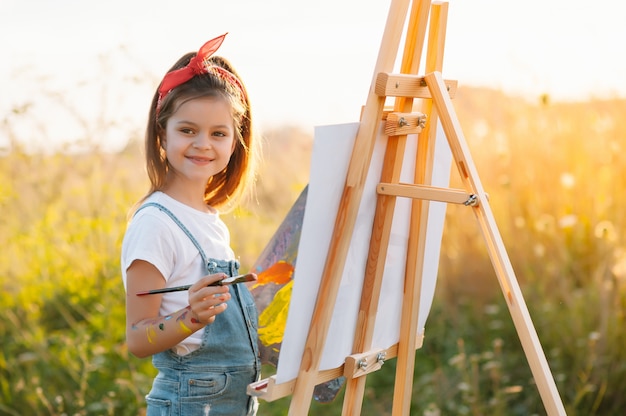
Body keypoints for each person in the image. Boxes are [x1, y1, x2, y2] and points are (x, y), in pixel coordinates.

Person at [121, 33, 261, 416]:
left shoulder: (211, 220)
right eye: (187, 130)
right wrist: (192, 316)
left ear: (236, 142)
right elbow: (137, 337)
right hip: (188, 402)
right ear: (162, 133)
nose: (203, 144)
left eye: (218, 133)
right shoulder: (156, 223)